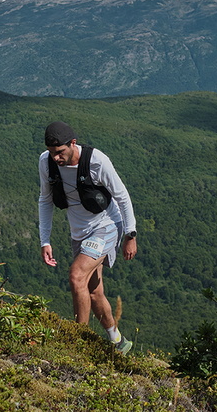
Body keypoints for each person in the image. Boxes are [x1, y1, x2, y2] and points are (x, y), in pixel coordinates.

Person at [38, 121, 137, 354]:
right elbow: (45, 200)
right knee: (93, 291)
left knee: (76, 276)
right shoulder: (46, 162)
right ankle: (118, 341)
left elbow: (122, 196)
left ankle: (76, 343)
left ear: (73, 143)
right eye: (52, 153)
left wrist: (130, 234)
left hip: (107, 225)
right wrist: (45, 240)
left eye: (60, 152)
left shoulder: (96, 161)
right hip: (79, 233)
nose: (56, 158)